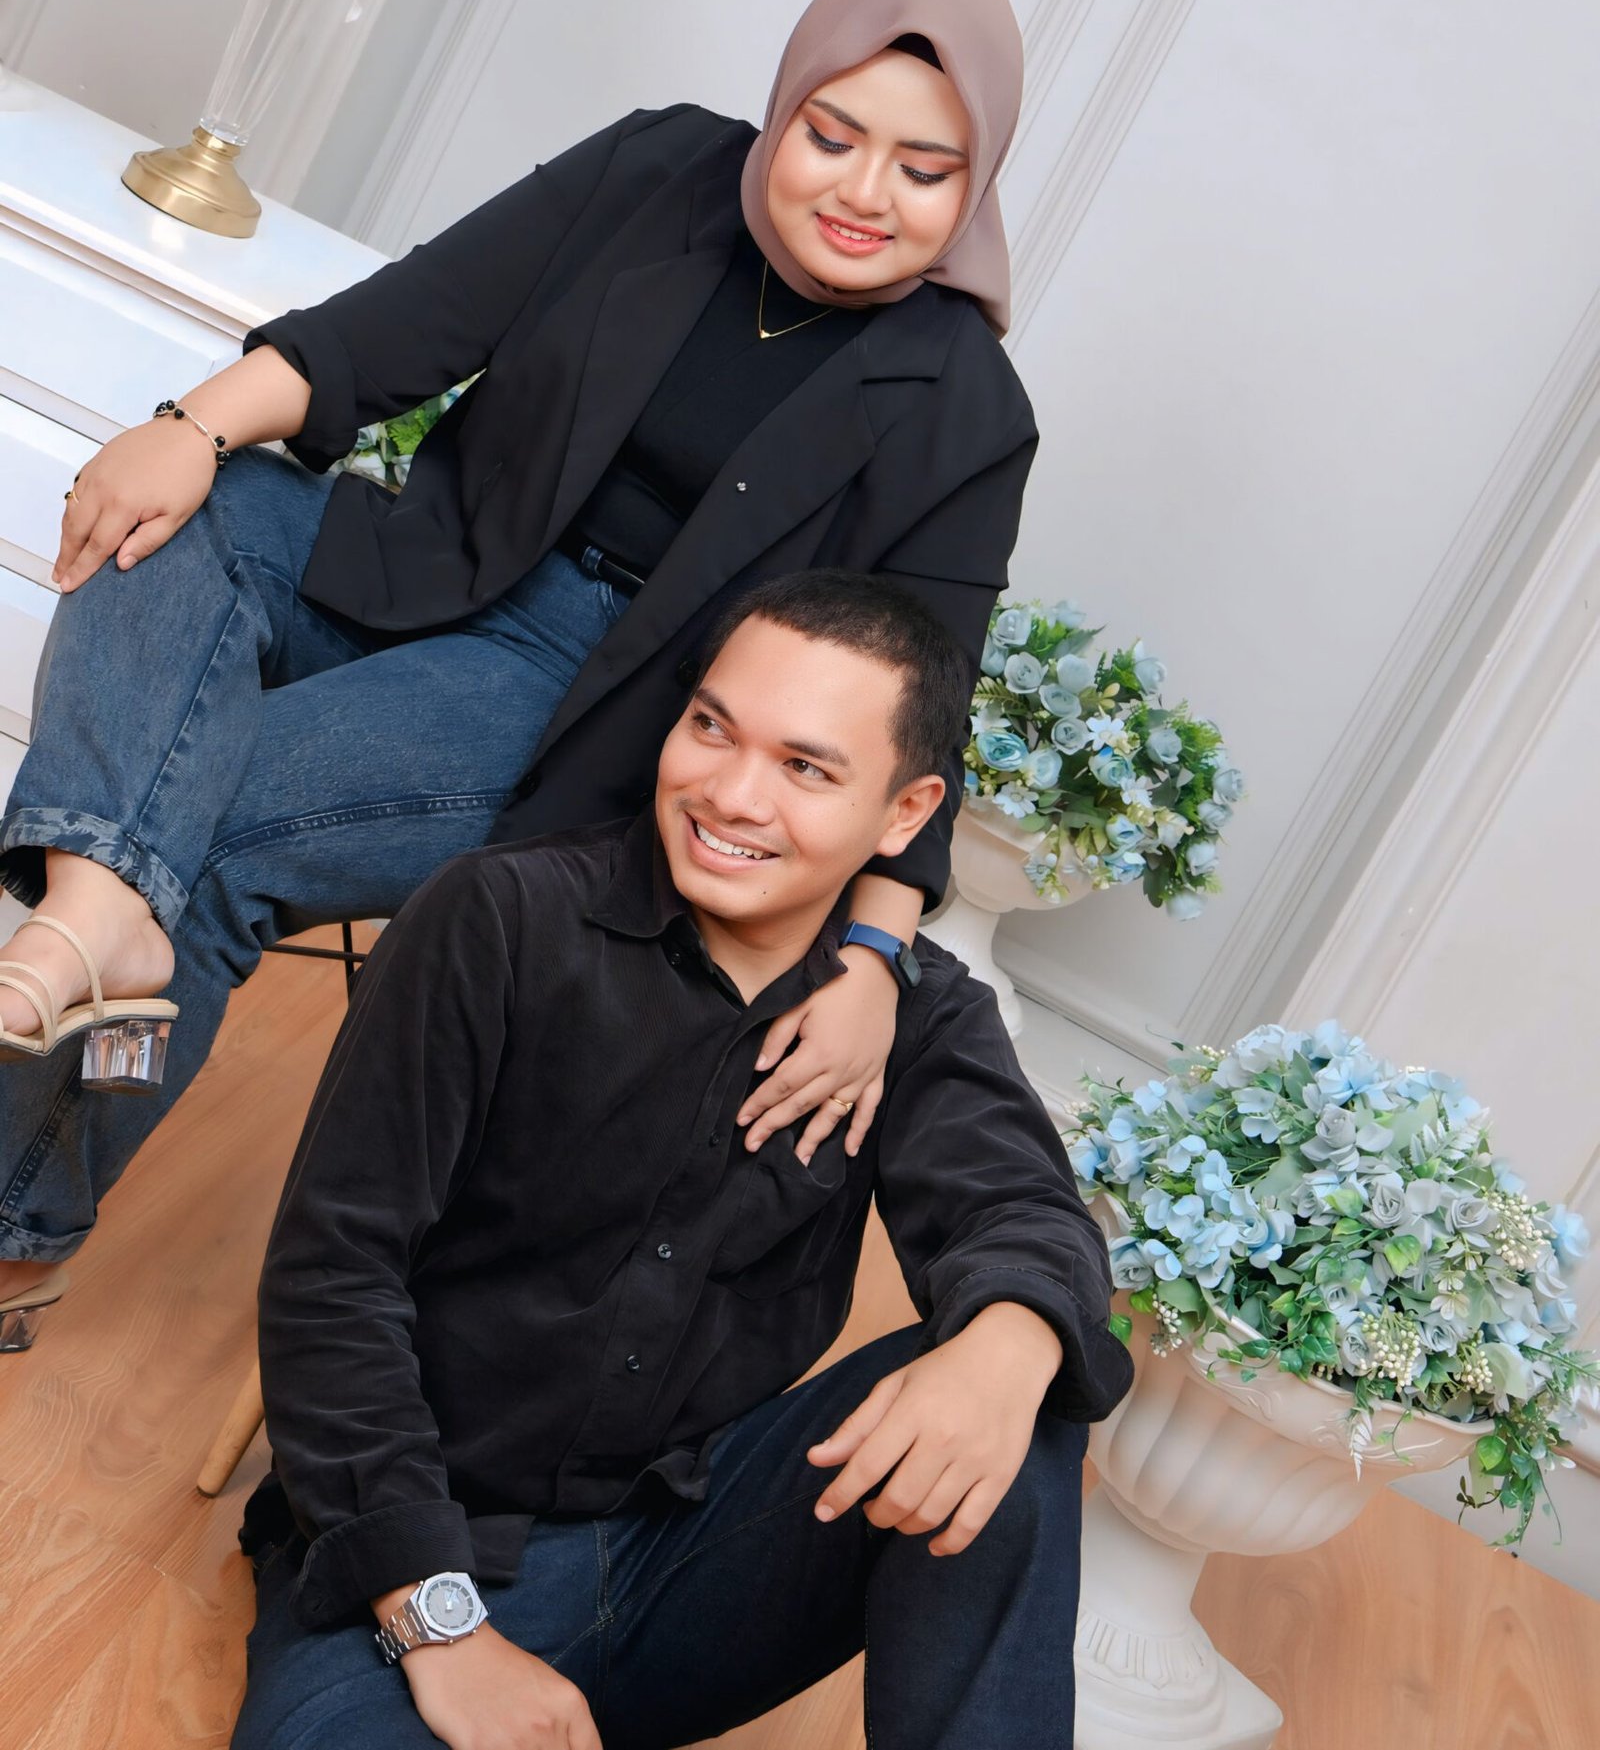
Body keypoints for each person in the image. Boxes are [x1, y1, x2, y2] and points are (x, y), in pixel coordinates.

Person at [0, 0, 1038, 1345]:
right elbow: (387, 332)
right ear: (785, 105)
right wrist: (183, 426)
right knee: (188, 511)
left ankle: (16, 1221)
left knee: (221, 833)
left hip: (589, 705)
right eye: (831, 136)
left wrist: (873, 963)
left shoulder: (965, 408)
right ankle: (96, 913)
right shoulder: (660, 168)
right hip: (429, 562)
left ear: (973, 190)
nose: (864, 193)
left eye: (923, 172)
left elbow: (922, 713)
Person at [231, 572, 1133, 1750]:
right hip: (428, 1549)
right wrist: (442, 1628)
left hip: (694, 1547)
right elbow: (331, 1276)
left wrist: (1007, 1348)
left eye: (805, 768)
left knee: (1011, 1385)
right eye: (711, 727)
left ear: (904, 814)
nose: (731, 794)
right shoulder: (495, 920)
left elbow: (1023, 1210)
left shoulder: (915, 1016)